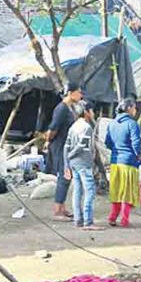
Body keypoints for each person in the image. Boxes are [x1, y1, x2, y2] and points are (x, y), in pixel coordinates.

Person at [45, 82, 83, 220]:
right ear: (70, 93)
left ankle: (62, 207)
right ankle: (57, 210)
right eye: (78, 92)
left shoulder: (71, 108)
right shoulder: (61, 109)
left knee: (67, 177)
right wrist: (48, 141)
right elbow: (53, 128)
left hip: (68, 146)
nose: (80, 95)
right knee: (64, 176)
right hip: (61, 146)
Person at [104, 98, 141, 227]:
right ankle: (124, 219)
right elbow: (136, 142)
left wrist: (116, 150)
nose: (135, 110)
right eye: (134, 108)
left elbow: (107, 142)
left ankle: (112, 217)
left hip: (115, 161)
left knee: (116, 190)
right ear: (129, 108)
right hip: (128, 161)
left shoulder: (112, 123)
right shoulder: (132, 124)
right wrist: (139, 155)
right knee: (127, 192)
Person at [64, 100, 102, 231]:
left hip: (74, 164)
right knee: (90, 191)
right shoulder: (87, 127)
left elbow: (66, 146)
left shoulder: (73, 126)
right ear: (86, 112)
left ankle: (78, 220)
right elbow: (81, 146)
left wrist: (67, 162)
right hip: (83, 163)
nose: (93, 113)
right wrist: (71, 155)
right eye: (91, 111)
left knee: (77, 191)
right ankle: (88, 221)